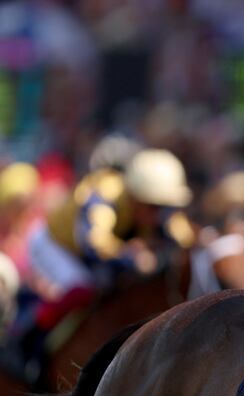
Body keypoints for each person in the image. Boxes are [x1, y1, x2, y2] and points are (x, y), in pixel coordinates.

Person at [17, 148, 194, 379]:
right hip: (55, 245)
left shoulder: (160, 211)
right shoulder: (103, 194)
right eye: (152, 206)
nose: (158, 215)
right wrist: (134, 258)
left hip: (88, 250)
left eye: (166, 207)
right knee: (83, 288)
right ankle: (27, 342)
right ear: (133, 195)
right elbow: (94, 246)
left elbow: (187, 244)